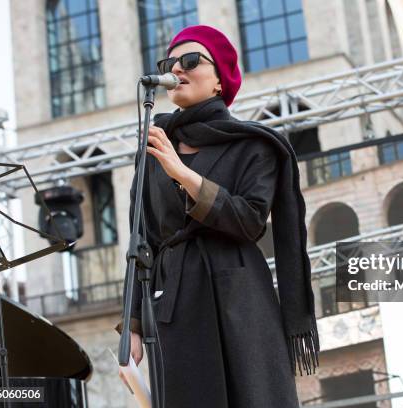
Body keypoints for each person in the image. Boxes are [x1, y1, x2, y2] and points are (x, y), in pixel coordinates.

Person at [115, 25, 320, 407]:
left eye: (191, 60)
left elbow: (250, 221)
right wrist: (134, 325)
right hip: (174, 303)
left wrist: (185, 176)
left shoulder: (253, 145)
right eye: (169, 62)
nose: (177, 68)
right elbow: (141, 239)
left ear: (219, 81)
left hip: (239, 300)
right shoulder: (156, 145)